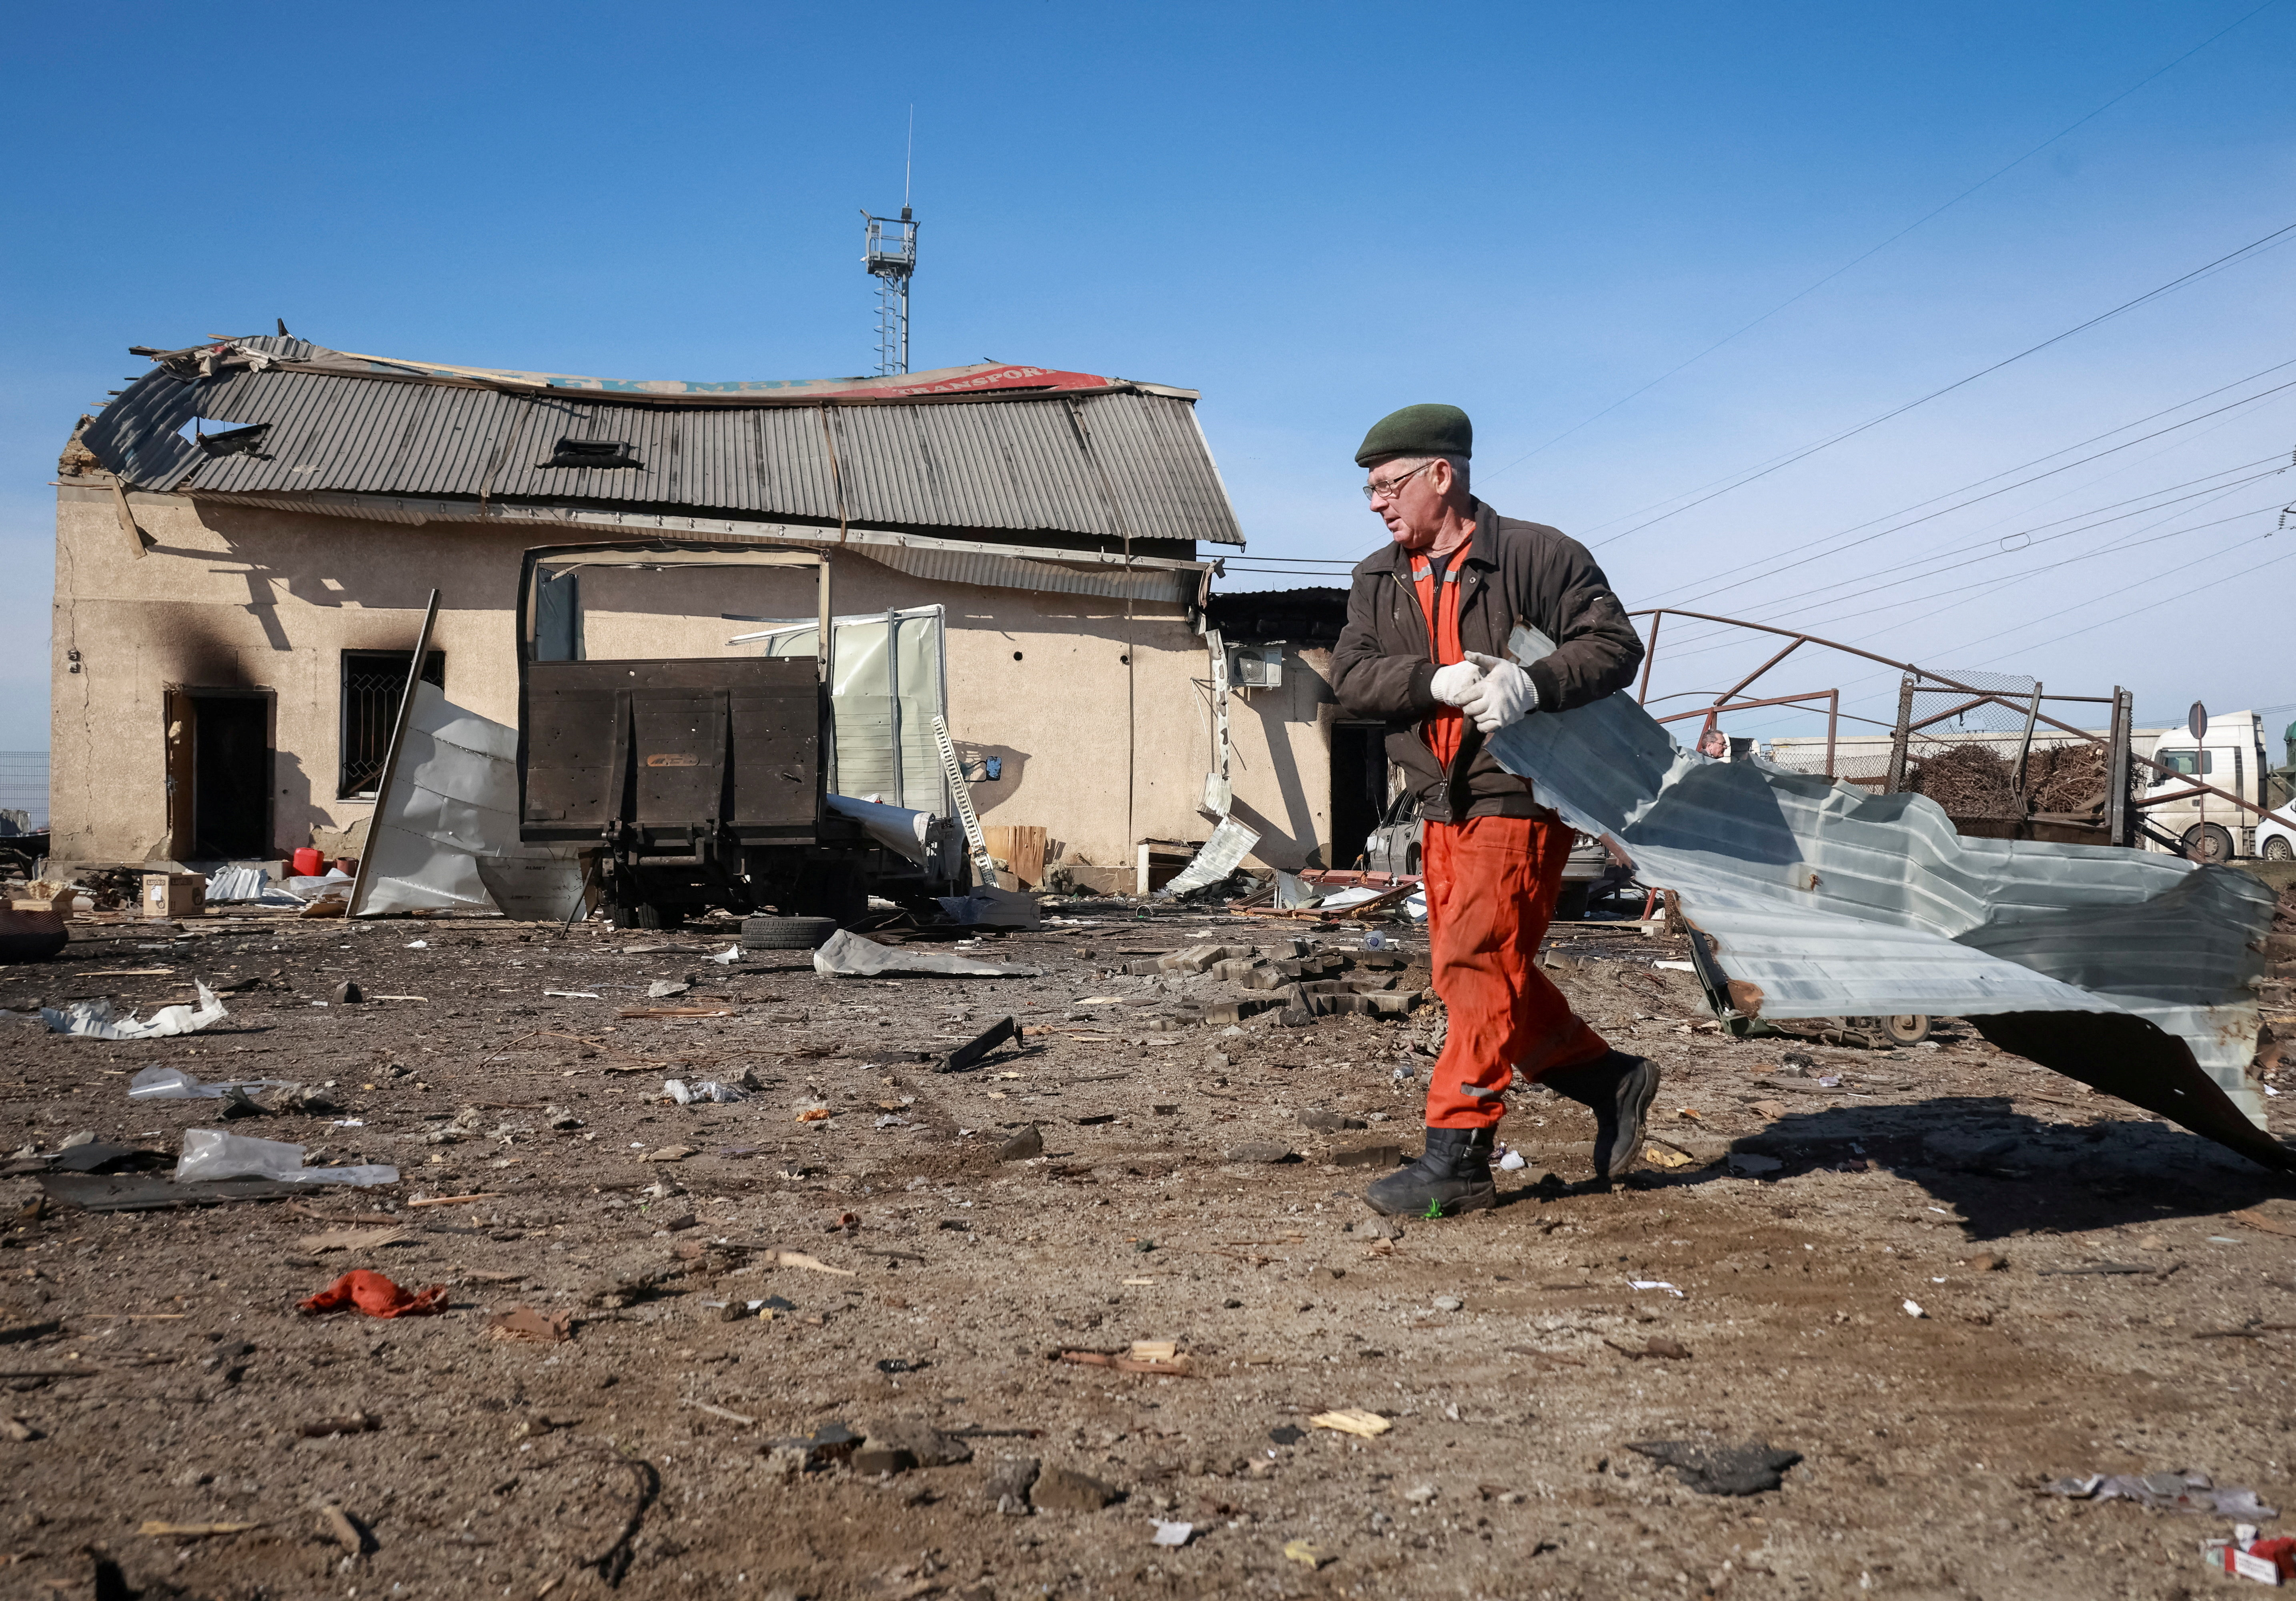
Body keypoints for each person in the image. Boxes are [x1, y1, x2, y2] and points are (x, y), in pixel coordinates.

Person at [1330, 403, 1659, 1216]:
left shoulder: (1539, 555)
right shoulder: (1378, 575)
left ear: (1441, 475)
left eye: (1387, 484)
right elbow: (1350, 674)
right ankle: (1607, 1077)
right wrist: (1429, 679)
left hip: (1517, 792)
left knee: (1478, 964)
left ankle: (1459, 1157)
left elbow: (1614, 646)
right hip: (1439, 799)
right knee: (1471, 970)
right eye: (1370, 489)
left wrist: (1531, 683)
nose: (1375, 501)